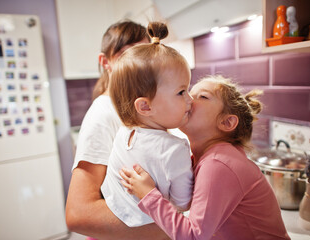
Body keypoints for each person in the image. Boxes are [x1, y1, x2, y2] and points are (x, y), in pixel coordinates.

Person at [120, 75, 291, 240]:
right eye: (186, 93)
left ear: (227, 123)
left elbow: (193, 236)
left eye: (202, 96)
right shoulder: (211, 157)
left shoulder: (219, 163)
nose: (187, 99)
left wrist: (148, 194)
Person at [65, 20, 170, 240]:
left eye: (143, 55)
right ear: (105, 62)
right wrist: (173, 226)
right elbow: (78, 214)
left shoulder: (139, 107)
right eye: (125, 55)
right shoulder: (103, 114)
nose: (137, 65)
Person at [102, 21, 194, 227]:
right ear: (145, 107)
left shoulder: (124, 133)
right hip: (150, 227)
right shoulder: (175, 149)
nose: (190, 99)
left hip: (118, 217)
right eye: (181, 92)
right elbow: (183, 204)